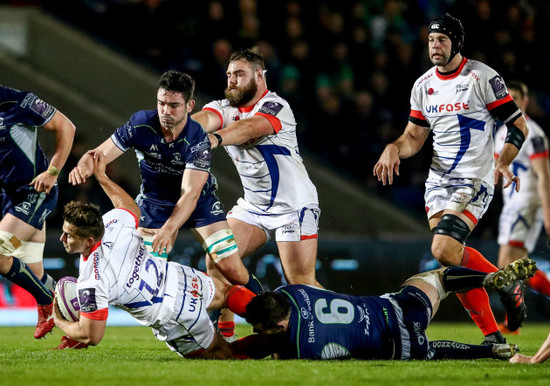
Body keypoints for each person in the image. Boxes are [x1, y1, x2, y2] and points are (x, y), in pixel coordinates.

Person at [373, 13, 529, 343]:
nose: (435, 46)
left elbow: (518, 125)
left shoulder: (481, 77)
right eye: (431, 40)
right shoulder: (423, 85)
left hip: (474, 178)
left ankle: (504, 284)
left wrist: (503, 161)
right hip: (438, 183)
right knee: (452, 261)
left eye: (442, 39)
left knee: (443, 249)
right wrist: (392, 148)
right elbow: (413, 138)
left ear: (456, 42)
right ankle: (494, 335)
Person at [68, 71, 260, 295]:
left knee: (232, 271)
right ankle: (199, 327)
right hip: (154, 202)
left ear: (190, 106)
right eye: (161, 103)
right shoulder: (140, 124)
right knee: (141, 276)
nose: (165, 111)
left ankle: (272, 308)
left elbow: (190, 194)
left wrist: (169, 229)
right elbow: (98, 154)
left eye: (174, 105)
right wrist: (83, 165)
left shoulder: (197, 139)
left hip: (199, 202)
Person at [54, 151, 256, 357]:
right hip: (179, 278)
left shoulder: (92, 279)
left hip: (171, 313)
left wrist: (60, 322)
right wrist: (102, 177)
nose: (61, 238)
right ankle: (280, 324)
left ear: (89, 241)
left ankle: (276, 343)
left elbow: (91, 336)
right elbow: (128, 206)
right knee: (229, 294)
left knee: (224, 354)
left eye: (68, 235)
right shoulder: (112, 224)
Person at [192, 47, 321, 339]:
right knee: (217, 258)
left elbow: (251, 129)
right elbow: (205, 119)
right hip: (254, 208)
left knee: (300, 284)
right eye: (229, 75)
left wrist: (214, 139)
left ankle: (351, 322)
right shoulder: (225, 107)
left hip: (294, 206)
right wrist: (187, 130)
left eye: (239, 74)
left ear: (259, 76)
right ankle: (225, 332)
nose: (232, 80)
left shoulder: (277, 106)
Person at [240, 257, 538, 360]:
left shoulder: (299, 346)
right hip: (396, 305)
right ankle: (487, 277)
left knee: (430, 352)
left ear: (280, 327)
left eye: (260, 328)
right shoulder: (290, 291)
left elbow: (277, 349)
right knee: (440, 278)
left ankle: (493, 351)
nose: (257, 332)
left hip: (397, 343)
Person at [0, 84, 75, 339]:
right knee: (35, 273)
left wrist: (53, 172)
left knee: (0, 254)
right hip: (8, 198)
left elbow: (66, 126)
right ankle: (77, 324)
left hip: (34, 192)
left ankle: (48, 301)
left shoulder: (16, 101)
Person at [494, 80, 550, 334]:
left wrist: (548, 213)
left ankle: (511, 323)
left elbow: (544, 176)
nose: (513, 101)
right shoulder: (501, 133)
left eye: (517, 97)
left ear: (525, 101)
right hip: (512, 204)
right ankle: (511, 323)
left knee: (507, 265)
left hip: (526, 201)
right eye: (509, 97)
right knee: (514, 268)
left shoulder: (534, 134)